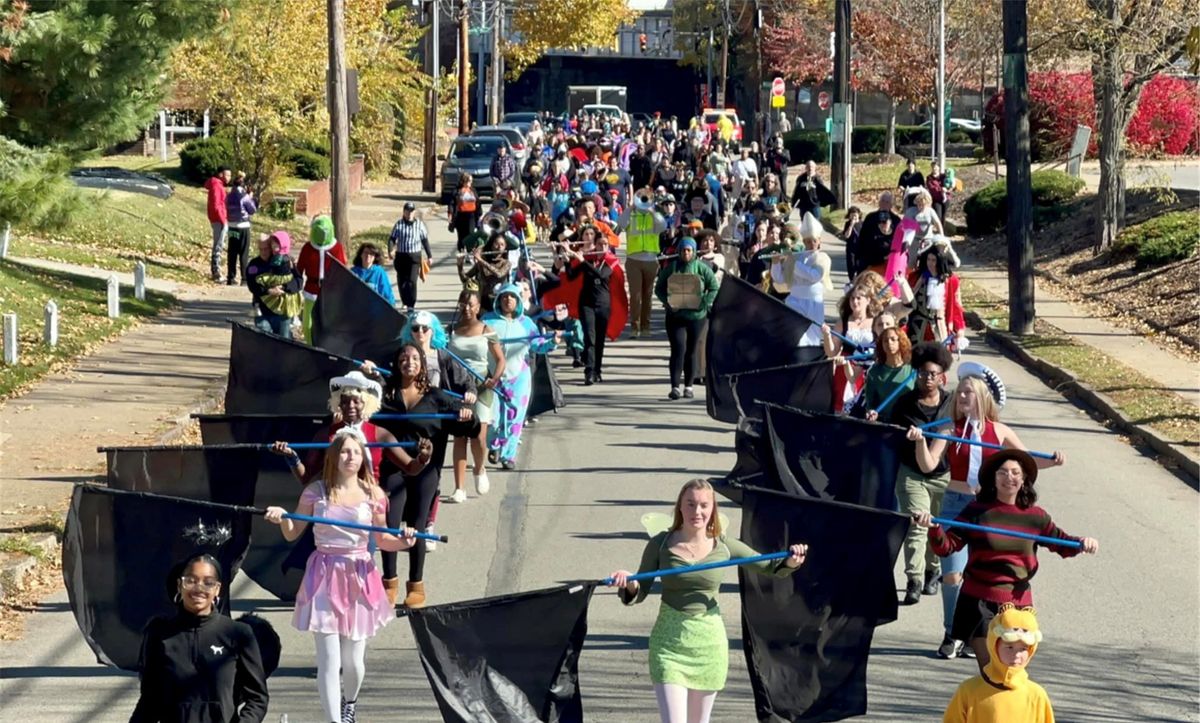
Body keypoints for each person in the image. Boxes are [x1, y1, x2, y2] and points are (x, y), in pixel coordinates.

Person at [607, 479, 808, 723]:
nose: (697, 511)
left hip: (708, 645)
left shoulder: (724, 546)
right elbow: (638, 593)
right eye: (690, 504)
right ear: (680, 507)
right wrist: (629, 581)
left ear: (713, 509)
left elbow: (769, 566)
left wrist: (792, 561)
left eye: (704, 505)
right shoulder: (659, 544)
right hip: (668, 645)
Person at [907, 369, 1066, 658]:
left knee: (979, 575)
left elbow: (1026, 461)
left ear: (982, 396)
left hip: (987, 508)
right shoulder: (949, 429)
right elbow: (929, 464)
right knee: (952, 574)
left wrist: (1052, 462)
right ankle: (951, 631)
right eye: (960, 393)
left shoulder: (999, 431)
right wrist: (920, 441)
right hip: (956, 504)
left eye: (968, 392)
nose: (962, 396)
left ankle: (973, 633)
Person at [264, 430, 419, 723]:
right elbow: (292, 533)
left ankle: (351, 702)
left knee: (353, 662)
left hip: (360, 575)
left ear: (363, 458)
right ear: (333, 457)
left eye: (356, 452)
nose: (351, 457)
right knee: (328, 660)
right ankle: (335, 721)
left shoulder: (374, 495)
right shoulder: (315, 491)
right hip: (323, 576)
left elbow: (384, 540)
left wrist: (406, 541)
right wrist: (282, 518)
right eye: (345, 451)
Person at [914, 448, 1097, 664]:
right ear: (994, 478)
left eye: (1015, 473)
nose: (1008, 477)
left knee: (1012, 670)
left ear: (1024, 479)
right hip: (978, 601)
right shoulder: (976, 511)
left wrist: (1083, 543)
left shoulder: (1036, 517)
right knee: (991, 669)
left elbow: (1063, 543)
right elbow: (946, 547)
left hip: (1018, 604)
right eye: (1002, 472)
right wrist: (934, 528)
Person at [373, 342, 472, 609]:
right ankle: (388, 582)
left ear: (423, 365)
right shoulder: (385, 396)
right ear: (397, 363)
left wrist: (466, 415)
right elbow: (363, 413)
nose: (410, 361)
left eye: (415, 358)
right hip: (393, 468)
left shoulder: (437, 397)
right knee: (390, 525)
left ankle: (415, 585)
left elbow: (470, 427)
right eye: (404, 357)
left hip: (426, 471)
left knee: (416, 526)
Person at [130, 554, 269, 723]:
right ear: (180, 585)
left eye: (208, 583)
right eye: (191, 580)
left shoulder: (238, 633)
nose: (199, 588)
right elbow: (149, 700)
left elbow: (257, 698)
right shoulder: (160, 634)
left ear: (217, 589)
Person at [889, 342, 955, 605]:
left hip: (942, 475)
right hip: (911, 474)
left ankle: (932, 571)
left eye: (933, 374)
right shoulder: (904, 403)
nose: (928, 379)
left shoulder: (951, 404)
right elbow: (889, 433)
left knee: (935, 526)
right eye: (923, 373)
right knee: (917, 525)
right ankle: (913, 579)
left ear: (942, 377)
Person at [482, 284, 560, 469]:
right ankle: (494, 444)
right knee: (492, 417)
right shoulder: (487, 321)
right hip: (492, 376)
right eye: (504, 296)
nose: (508, 300)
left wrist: (552, 342)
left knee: (515, 417)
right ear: (498, 300)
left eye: (512, 297)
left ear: (518, 301)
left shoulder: (527, 323)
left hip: (518, 377)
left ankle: (508, 456)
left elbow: (538, 345)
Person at [943, 605, 1055, 723]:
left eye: (1023, 649)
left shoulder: (1036, 695)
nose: (1016, 655)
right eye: (1009, 647)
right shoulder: (969, 691)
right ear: (994, 646)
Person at [447, 289, 505, 502]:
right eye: (463, 304)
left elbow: (500, 359)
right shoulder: (451, 329)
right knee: (459, 436)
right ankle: (459, 488)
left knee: (478, 437)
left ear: (479, 307)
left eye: (471, 304)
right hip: (456, 387)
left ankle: (479, 469)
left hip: (481, 386)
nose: (467, 308)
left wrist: (494, 379)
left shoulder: (487, 329)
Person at [656, 237, 719, 400]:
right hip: (675, 316)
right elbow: (659, 288)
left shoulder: (702, 268)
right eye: (683, 250)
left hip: (696, 317)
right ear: (679, 251)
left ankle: (689, 386)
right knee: (678, 349)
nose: (686, 253)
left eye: (689, 250)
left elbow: (713, 287)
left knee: (691, 351)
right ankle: (675, 387)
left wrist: (703, 302)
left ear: (693, 251)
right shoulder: (671, 268)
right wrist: (668, 302)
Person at [564, 227, 614, 385]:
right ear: (596, 245)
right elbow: (571, 276)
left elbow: (601, 275)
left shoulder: (611, 260)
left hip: (603, 305)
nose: (603, 247)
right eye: (600, 244)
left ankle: (598, 370)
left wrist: (582, 261)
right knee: (590, 338)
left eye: (606, 244)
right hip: (586, 304)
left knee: (599, 340)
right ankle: (589, 371)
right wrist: (567, 259)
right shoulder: (589, 259)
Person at [781, 213, 833, 347]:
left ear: (819, 241)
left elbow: (814, 275)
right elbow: (781, 279)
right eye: (808, 241)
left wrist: (793, 263)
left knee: (812, 338)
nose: (811, 244)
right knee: (795, 337)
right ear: (803, 242)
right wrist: (777, 263)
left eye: (814, 241)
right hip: (795, 301)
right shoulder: (798, 257)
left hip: (813, 303)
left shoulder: (823, 258)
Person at [622, 189, 667, 338]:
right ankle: (634, 327)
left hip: (650, 260)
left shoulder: (653, 216)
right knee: (635, 295)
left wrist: (652, 211)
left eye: (646, 198)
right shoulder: (632, 215)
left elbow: (663, 226)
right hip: (634, 259)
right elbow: (621, 224)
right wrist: (630, 208)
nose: (643, 201)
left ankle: (645, 326)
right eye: (641, 198)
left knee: (647, 295)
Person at [296, 215, 348, 344]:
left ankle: (328, 349)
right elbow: (299, 269)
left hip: (331, 291)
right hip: (311, 289)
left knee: (329, 324)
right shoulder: (308, 248)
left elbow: (342, 270)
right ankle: (311, 347)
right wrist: (295, 287)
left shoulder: (337, 248)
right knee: (308, 324)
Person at [908, 239, 965, 350]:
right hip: (917, 324)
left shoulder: (951, 280)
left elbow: (956, 305)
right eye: (928, 259)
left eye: (934, 260)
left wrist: (959, 328)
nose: (930, 263)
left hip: (939, 324)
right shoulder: (916, 277)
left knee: (939, 358)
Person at [245, 231, 301, 339]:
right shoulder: (253, 265)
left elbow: (299, 281)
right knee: (265, 339)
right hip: (262, 311)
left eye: (266, 249)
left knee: (284, 340)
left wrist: (285, 287)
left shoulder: (285, 261)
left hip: (282, 312)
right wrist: (268, 290)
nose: (263, 252)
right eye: (260, 249)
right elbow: (252, 286)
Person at [388, 202, 432, 313]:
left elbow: (425, 241)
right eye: (407, 211)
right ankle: (405, 301)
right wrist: (390, 250)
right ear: (404, 212)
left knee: (412, 281)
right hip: (401, 257)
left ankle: (411, 304)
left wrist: (429, 255)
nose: (409, 213)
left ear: (414, 212)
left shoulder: (419, 225)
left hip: (414, 257)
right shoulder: (399, 224)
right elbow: (392, 239)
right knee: (402, 281)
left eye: (411, 211)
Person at [863, 327, 914, 418]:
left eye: (893, 339)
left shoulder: (913, 370)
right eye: (885, 341)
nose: (889, 343)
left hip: (908, 424)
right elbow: (870, 403)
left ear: (901, 342)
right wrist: (871, 412)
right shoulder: (874, 372)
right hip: (884, 424)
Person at [458, 232, 511, 312]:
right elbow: (465, 280)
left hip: (499, 302)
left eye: (502, 245)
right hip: (482, 301)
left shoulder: (506, 263)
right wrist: (460, 267)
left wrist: (480, 260)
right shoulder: (482, 262)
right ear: (491, 245)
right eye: (496, 244)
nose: (499, 247)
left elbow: (499, 274)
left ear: (505, 248)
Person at [859, 193, 903, 277]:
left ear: (891, 205)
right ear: (879, 203)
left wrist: (888, 231)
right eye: (882, 201)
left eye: (887, 202)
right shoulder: (870, 217)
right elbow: (862, 238)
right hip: (870, 259)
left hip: (887, 260)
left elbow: (898, 240)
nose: (884, 204)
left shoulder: (896, 220)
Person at [224, 178, 257, 286]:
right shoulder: (245, 196)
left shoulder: (228, 196)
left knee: (232, 252)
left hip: (232, 226)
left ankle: (231, 277)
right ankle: (244, 279)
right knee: (243, 253)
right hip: (243, 226)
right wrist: (251, 197)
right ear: (243, 186)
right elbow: (252, 210)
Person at [205, 167, 231, 282]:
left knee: (219, 244)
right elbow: (216, 205)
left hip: (218, 219)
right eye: (227, 175)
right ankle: (216, 272)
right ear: (221, 174)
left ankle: (216, 270)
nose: (229, 178)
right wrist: (223, 220)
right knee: (218, 245)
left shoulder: (217, 185)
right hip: (219, 220)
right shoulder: (216, 185)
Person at [448, 173, 481, 252]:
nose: (471, 183)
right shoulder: (457, 191)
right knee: (461, 236)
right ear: (464, 181)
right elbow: (452, 204)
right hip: (460, 216)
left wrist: (479, 215)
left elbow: (478, 203)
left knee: (471, 234)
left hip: (471, 216)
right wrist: (450, 215)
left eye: (471, 181)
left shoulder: (472, 190)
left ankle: (470, 252)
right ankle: (461, 252)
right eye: (469, 181)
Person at [841, 205, 863, 278]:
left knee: (859, 265)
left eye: (855, 215)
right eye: (852, 215)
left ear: (858, 215)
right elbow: (847, 236)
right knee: (851, 265)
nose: (854, 217)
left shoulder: (862, 224)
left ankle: (858, 279)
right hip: (851, 248)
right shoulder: (847, 224)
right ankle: (852, 280)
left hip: (860, 248)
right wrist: (851, 225)